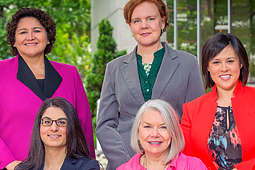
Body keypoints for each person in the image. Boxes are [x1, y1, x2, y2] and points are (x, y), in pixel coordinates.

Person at [95, 0, 204, 169]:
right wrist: (128, 163)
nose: (144, 25)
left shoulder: (187, 63)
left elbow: (197, 121)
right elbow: (105, 125)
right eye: (136, 21)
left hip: (173, 162)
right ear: (130, 26)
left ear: (163, 20)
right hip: (125, 162)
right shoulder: (114, 68)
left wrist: (176, 161)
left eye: (150, 19)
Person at [0, 8, 94, 170]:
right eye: (23, 32)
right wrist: (10, 163)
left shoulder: (69, 74)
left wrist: (89, 164)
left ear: (48, 37)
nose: (30, 37)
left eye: (37, 30)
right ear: (13, 40)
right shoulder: (1, 72)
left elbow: (83, 125)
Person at [181, 33, 255, 170]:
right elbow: (187, 160)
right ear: (208, 67)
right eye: (216, 62)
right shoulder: (191, 110)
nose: (224, 68)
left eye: (230, 61)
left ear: (241, 63)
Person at [116, 99, 207, 170]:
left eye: (163, 127)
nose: (155, 134)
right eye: (148, 127)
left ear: (173, 133)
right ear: (138, 133)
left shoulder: (194, 167)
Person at [15, 97, 100, 170]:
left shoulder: (87, 167)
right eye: (47, 122)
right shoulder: (23, 168)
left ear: (72, 127)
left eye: (61, 122)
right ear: (39, 126)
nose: (54, 128)